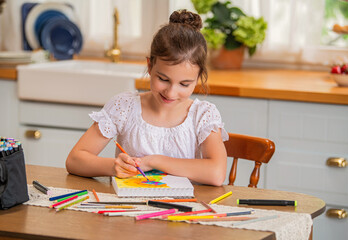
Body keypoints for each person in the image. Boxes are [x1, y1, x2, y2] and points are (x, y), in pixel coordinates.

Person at [66, 9, 229, 186]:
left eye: (184, 84)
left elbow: (216, 174)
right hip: (131, 208)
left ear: (198, 78)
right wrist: (113, 166)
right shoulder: (125, 106)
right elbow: (74, 160)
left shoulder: (203, 115)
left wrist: (154, 161)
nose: (171, 92)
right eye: (163, 79)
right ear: (150, 66)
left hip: (182, 211)